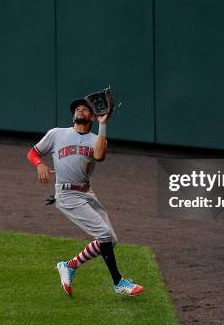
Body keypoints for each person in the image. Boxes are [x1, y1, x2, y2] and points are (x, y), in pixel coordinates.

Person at [26, 98, 144, 297]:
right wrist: (39, 164)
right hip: (66, 194)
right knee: (104, 235)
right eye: (77, 109)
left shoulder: (97, 139)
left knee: (110, 239)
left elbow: (99, 156)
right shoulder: (57, 134)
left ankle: (69, 265)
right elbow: (33, 152)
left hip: (87, 193)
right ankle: (118, 282)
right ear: (73, 115)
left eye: (85, 109)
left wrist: (103, 124)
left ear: (92, 116)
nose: (80, 110)